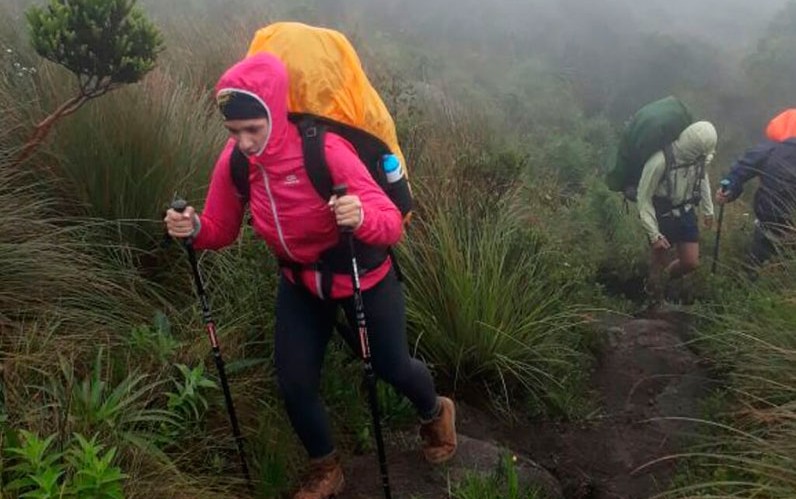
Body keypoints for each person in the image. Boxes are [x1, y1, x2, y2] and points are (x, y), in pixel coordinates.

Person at [164, 53, 457, 499]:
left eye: (252, 130)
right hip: (300, 284)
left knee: (391, 366)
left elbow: (390, 221)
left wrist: (359, 216)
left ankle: (435, 411)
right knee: (295, 380)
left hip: (364, 275)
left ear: (274, 114)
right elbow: (221, 229)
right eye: (233, 132)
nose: (242, 142)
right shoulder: (238, 163)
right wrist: (194, 229)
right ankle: (326, 467)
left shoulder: (325, 150)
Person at [636, 121, 717, 304]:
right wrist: (654, 234)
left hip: (686, 212)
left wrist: (708, 210)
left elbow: (702, 180)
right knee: (658, 259)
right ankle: (653, 296)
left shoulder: (698, 159)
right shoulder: (659, 161)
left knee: (690, 262)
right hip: (662, 215)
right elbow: (644, 199)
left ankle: (665, 282)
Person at [715, 109, 796, 271]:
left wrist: (728, 190)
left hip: (769, 220)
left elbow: (739, 171)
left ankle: (748, 286)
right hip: (788, 222)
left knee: (756, 269)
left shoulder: (768, 149)